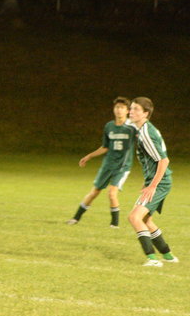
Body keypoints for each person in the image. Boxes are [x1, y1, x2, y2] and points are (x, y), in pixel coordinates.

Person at [67, 97, 134, 228]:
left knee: (112, 193)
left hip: (122, 167)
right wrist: (89, 156)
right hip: (108, 165)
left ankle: (114, 224)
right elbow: (105, 147)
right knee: (94, 192)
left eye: (122, 108)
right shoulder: (109, 126)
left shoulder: (132, 127)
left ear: (127, 111)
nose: (119, 110)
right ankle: (75, 218)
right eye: (117, 107)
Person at [127, 97, 178, 267]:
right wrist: (148, 181)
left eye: (136, 109)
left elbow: (164, 161)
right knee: (145, 219)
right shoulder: (144, 130)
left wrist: (153, 185)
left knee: (134, 217)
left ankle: (152, 260)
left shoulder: (146, 133)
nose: (131, 111)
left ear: (146, 113)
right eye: (131, 108)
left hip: (160, 182)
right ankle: (168, 256)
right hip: (158, 181)